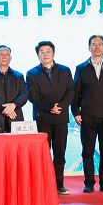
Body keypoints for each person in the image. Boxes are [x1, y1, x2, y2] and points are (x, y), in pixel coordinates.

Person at [71, 35, 103, 193]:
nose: (97, 47)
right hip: (87, 117)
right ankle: (89, 183)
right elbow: (75, 93)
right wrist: (76, 112)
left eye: (100, 44)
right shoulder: (81, 68)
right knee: (87, 152)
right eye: (93, 44)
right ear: (89, 48)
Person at [26, 41, 74, 195]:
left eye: (48, 51)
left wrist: (61, 106)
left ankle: (59, 185)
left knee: (60, 154)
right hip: (42, 119)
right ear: (38, 55)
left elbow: (71, 92)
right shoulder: (32, 73)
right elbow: (32, 96)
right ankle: (42, 185)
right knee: (42, 154)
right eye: (42, 52)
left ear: (53, 53)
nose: (45, 54)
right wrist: (49, 107)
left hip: (61, 118)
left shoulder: (65, 70)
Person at [0, 45, 28, 133]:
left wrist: (14, 105)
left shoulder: (19, 76)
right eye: (1, 54)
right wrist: (5, 108)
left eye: (7, 54)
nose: (4, 57)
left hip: (15, 118)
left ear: (10, 58)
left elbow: (24, 94)